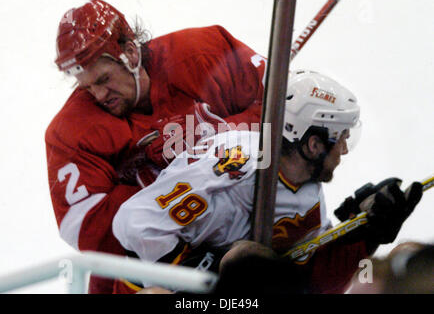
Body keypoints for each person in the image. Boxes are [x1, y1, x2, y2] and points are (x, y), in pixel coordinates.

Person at [113, 70, 423, 293]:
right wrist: (192, 275)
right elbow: (135, 221)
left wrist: (363, 233)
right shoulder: (237, 166)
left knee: (254, 266)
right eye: (341, 139)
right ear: (313, 145)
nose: (343, 149)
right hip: (143, 284)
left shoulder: (308, 196)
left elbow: (312, 283)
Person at [46, 0, 266, 294]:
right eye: (87, 86)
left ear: (130, 54)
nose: (99, 94)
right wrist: (160, 179)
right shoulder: (72, 130)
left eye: (104, 79)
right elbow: (89, 230)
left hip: (250, 227)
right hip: (152, 270)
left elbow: (285, 118)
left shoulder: (205, 52)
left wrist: (207, 144)